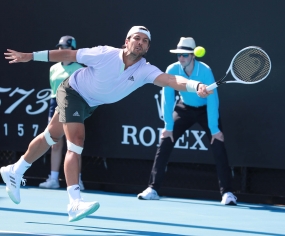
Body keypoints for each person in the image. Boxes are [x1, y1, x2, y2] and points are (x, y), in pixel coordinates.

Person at [1, 26, 212, 222]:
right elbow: (68, 55)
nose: (140, 42)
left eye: (145, 41)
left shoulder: (145, 70)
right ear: (126, 41)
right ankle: (74, 202)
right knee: (76, 141)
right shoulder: (104, 53)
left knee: (50, 136)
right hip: (72, 91)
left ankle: (15, 170)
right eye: (136, 38)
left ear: (147, 47)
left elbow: (170, 80)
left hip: (90, 103)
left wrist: (196, 85)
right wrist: (29, 56)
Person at [137, 37, 237, 205]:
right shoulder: (172, 69)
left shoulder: (205, 71)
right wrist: (168, 126)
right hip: (184, 108)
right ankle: (153, 189)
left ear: (192, 55)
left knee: (218, 144)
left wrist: (214, 128)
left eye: (184, 55)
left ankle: (227, 193)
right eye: (179, 55)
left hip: (205, 109)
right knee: (165, 141)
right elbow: (167, 97)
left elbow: (213, 100)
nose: (181, 58)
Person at [39, 36, 85, 190]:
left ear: (72, 49)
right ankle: (53, 178)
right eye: (59, 47)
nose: (61, 50)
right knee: (55, 143)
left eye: (64, 47)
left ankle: (77, 181)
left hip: (73, 105)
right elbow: (54, 89)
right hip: (55, 104)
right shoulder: (53, 68)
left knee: (74, 144)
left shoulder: (80, 68)